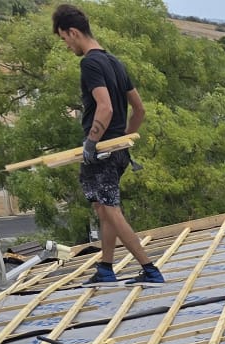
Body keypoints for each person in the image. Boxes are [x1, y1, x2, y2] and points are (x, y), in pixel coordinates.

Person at [51, 4, 161, 284]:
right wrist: (123, 141)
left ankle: (150, 269)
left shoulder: (89, 63)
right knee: (103, 206)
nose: (66, 45)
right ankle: (106, 268)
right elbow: (139, 110)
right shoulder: (114, 62)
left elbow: (106, 108)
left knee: (110, 208)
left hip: (101, 152)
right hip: (117, 151)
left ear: (73, 32)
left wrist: (92, 143)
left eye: (64, 39)